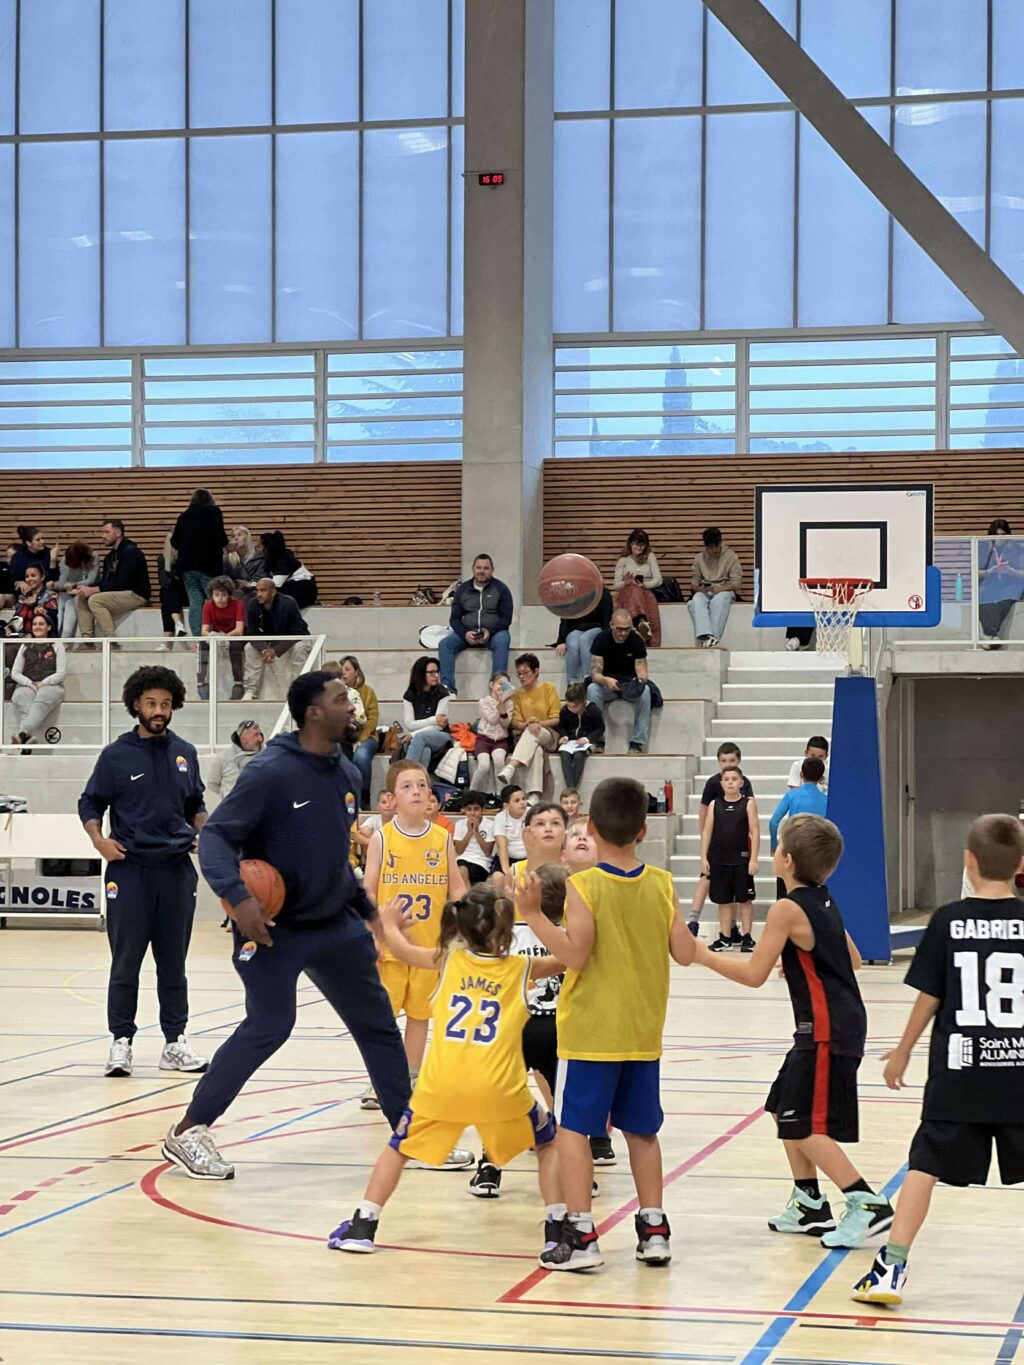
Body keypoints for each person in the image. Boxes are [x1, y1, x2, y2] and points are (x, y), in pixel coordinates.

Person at [161, 672, 410, 1180]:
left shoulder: (347, 773)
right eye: (341, 699)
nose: (352, 707)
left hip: (333, 923)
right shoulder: (269, 772)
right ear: (313, 712)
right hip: (272, 927)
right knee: (270, 1025)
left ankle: (411, 1135)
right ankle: (187, 1131)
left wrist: (368, 911)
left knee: (379, 1026)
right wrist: (238, 900)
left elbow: (335, 860)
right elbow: (216, 838)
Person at [518, 776, 696, 1270]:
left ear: (591, 828)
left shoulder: (583, 885)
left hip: (591, 1033)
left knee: (574, 1131)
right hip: (643, 1031)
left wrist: (533, 916)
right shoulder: (661, 883)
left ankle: (581, 1235)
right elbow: (684, 953)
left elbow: (576, 955)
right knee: (642, 1132)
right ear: (644, 830)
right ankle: (654, 1229)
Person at [328, 884, 563, 1257]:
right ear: (507, 932)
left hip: (440, 1086)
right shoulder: (522, 968)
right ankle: (557, 1228)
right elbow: (570, 956)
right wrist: (538, 915)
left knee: (398, 1148)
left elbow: (401, 950)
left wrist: (388, 925)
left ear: (461, 929)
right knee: (548, 1144)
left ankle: (363, 1225)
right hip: (498, 1088)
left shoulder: (447, 960)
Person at [695, 814, 895, 1251]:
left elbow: (753, 975)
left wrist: (702, 956)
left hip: (825, 1029)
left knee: (803, 1124)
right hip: (833, 1023)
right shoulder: (823, 898)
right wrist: (806, 963)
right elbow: (852, 960)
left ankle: (867, 1203)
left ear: (785, 860)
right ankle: (809, 1203)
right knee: (781, 1107)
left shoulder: (787, 908)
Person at [850, 813, 1024, 1306]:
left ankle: (890, 1268)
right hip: (1019, 1077)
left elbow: (929, 995)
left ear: (968, 861)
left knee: (923, 1167)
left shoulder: (947, 920)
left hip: (958, 1077)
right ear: (1020, 865)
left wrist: (903, 1052)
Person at [78, 666, 209, 1080]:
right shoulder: (116, 755)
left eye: (165, 704)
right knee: (126, 962)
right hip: (129, 871)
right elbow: (90, 802)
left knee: (173, 964)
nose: (159, 711)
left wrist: (203, 832)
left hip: (176, 871)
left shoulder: (185, 752)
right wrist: (99, 840)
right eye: (151, 703)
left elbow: (195, 804)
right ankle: (121, 1042)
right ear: (136, 704)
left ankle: (175, 1042)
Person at [361, 760, 471, 1170]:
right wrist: (374, 932)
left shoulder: (441, 839)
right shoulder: (382, 838)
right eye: (408, 786)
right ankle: (379, 1079)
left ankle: (408, 1077)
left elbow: (457, 887)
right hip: (391, 946)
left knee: (421, 1018)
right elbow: (369, 888)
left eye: (423, 785)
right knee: (383, 1019)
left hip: (429, 949)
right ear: (391, 798)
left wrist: (467, 924)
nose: (417, 791)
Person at [690, 742, 754, 939]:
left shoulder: (744, 783)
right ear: (718, 762)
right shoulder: (712, 783)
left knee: (733, 887)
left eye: (731, 760)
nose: (727, 764)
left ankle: (732, 928)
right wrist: (705, 839)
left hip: (736, 845)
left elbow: (750, 812)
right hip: (717, 843)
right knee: (706, 877)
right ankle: (693, 920)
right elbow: (703, 810)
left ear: (739, 760)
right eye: (724, 761)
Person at [701, 765, 760, 953]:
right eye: (726, 779)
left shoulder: (748, 804)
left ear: (741, 782)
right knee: (723, 901)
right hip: (719, 860)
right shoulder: (714, 804)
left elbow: (755, 832)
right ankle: (725, 938)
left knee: (745, 900)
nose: (730, 783)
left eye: (734, 779)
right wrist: (703, 858)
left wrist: (753, 859)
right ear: (721, 783)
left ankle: (747, 937)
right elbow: (707, 832)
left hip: (742, 860)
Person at [438, 553, 513, 696]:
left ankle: (499, 688)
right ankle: (448, 689)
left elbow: (506, 618)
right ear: (473, 569)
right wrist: (464, 633)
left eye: (486, 568)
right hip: (466, 633)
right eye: (478, 567)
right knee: (445, 644)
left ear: (492, 570)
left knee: (503, 638)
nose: (482, 571)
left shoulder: (502, 589)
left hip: (493, 634)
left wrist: (489, 631)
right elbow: (454, 619)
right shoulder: (462, 590)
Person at [497, 654, 561, 801]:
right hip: (525, 734)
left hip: (547, 733)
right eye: (519, 673)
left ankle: (512, 766)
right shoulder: (516, 694)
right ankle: (534, 794)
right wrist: (527, 724)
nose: (521, 677)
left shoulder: (548, 688)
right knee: (537, 751)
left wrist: (537, 723)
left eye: (525, 673)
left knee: (534, 731)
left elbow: (556, 718)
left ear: (536, 671)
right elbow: (515, 722)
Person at [586, 609, 651, 755]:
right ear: (611, 625)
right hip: (607, 683)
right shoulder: (601, 639)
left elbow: (642, 670)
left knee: (646, 691)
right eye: (619, 629)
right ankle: (597, 740)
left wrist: (639, 681)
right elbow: (595, 673)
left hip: (629, 684)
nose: (623, 633)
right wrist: (606, 680)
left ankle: (637, 742)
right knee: (592, 689)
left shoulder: (636, 641)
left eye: (627, 629)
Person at [76, 519, 152, 641]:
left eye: (107, 532)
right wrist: (86, 589)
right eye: (102, 533)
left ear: (118, 533)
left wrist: (94, 590)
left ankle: (111, 641)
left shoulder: (131, 552)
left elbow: (123, 583)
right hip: (119, 593)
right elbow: (106, 582)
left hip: (136, 594)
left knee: (95, 600)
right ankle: (87, 640)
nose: (103, 536)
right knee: (81, 598)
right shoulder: (110, 557)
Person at [241, 578, 313, 702]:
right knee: (249, 648)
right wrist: (264, 650)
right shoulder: (252, 604)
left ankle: (301, 690)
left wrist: (276, 651)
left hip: (296, 638)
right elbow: (252, 633)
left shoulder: (289, 603)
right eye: (257, 590)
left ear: (273, 592)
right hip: (270, 641)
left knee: (299, 648)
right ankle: (250, 691)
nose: (259, 594)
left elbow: (297, 632)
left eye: (263, 590)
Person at [171, 489, 227, 640]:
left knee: (195, 602)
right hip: (209, 565)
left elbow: (174, 542)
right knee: (214, 599)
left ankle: (198, 637)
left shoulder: (184, 516)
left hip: (188, 566)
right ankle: (214, 635)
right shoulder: (213, 511)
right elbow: (219, 535)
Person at [770, 759, 828, 898]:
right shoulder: (826, 800)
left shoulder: (791, 796)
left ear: (801, 775)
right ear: (821, 778)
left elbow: (773, 822)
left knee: (784, 893)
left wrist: (774, 844)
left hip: (791, 845)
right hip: (814, 851)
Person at [9, 613, 66, 751]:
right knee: (23, 701)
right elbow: (15, 672)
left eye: (41, 624)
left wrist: (43, 683)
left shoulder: (57, 645)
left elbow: (61, 673)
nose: (37, 627)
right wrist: (29, 683)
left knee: (41, 700)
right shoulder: (25, 646)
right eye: (35, 624)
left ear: (49, 627)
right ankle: (26, 741)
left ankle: (22, 734)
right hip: (26, 685)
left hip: (52, 685)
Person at [688, 527, 742, 648]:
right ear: (706, 546)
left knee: (719, 600)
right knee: (696, 599)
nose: (713, 550)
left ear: (720, 542)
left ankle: (712, 637)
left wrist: (722, 588)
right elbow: (694, 584)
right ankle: (706, 635)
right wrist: (700, 589)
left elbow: (737, 583)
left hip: (724, 590)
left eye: (716, 546)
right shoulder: (699, 558)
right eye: (710, 547)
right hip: (706, 590)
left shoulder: (731, 556)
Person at [339, 655, 379, 807]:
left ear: (356, 672)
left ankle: (364, 797)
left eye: (347, 669)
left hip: (367, 736)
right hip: (345, 737)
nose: (343, 673)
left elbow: (373, 720)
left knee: (361, 755)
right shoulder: (338, 692)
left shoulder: (368, 692)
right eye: (341, 669)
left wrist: (360, 739)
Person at [978, 518, 1024, 649]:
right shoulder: (983, 548)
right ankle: (992, 635)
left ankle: (989, 634)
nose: (999, 538)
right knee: (983, 595)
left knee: (1006, 596)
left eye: (1003, 534)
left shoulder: (1017, 549)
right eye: (996, 534)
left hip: (1011, 585)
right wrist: (989, 572)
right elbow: (974, 573)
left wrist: (1011, 571)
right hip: (989, 584)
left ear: (1008, 535)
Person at [399, 656, 452, 769]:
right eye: (431, 672)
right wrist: (434, 719)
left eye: (437, 672)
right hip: (416, 738)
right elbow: (409, 724)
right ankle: (421, 778)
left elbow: (439, 726)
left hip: (440, 735)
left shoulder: (443, 693)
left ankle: (405, 774)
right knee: (425, 752)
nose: (436, 676)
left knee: (420, 737)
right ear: (421, 674)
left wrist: (413, 734)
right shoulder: (409, 695)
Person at [199, 575, 245, 702]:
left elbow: (239, 630)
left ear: (229, 595)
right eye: (216, 595)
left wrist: (224, 637)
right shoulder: (208, 605)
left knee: (236, 646)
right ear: (212, 595)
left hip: (232, 636)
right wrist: (213, 636)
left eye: (223, 595)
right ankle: (201, 682)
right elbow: (204, 631)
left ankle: (238, 682)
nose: (220, 598)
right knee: (202, 644)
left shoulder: (238, 604)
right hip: (216, 636)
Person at [613, 530, 662, 646]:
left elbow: (658, 579)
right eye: (636, 544)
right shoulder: (623, 561)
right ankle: (640, 621)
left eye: (642, 545)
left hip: (645, 592)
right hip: (627, 593)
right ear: (630, 544)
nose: (639, 548)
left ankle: (639, 624)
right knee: (633, 590)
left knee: (640, 592)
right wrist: (625, 583)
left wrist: (645, 585)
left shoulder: (650, 557)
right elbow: (616, 585)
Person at [555, 587, 614, 684]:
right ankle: (572, 682)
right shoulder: (572, 591)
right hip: (576, 628)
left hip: (596, 626)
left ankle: (588, 678)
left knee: (584, 639)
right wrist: (561, 640)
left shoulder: (603, 592)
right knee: (572, 644)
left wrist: (606, 636)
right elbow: (565, 617)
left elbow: (607, 615)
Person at [554, 682, 605, 789]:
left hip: (590, 741)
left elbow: (600, 728)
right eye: (569, 706)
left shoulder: (593, 710)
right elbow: (562, 727)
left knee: (579, 755)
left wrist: (588, 738)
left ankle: (571, 790)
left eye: (574, 707)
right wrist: (564, 736)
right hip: (571, 741)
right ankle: (572, 790)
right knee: (564, 755)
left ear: (582, 702)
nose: (571, 709)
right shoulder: (565, 711)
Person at [206, 719, 265, 800]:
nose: (260, 739)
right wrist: (228, 795)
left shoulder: (268, 756)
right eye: (256, 735)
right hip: (231, 806)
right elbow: (212, 783)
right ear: (243, 738)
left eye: (260, 734)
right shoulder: (223, 757)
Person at [473, 671, 512, 794]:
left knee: (499, 761)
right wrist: (499, 705)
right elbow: (493, 720)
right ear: (491, 684)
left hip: (500, 740)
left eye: (505, 685)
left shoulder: (509, 703)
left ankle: (500, 794)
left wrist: (503, 709)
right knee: (484, 765)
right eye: (500, 683)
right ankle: (472, 792)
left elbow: (506, 724)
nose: (502, 687)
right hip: (483, 739)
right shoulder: (483, 702)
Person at [260, 530, 317, 610]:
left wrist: (252, 584)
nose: (257, 549)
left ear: (267, 549)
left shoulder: (284, 559)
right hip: (292, 586)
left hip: (303, 589)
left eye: (259, 547)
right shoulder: (271, 560)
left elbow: (276, 584)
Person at [55, 541, 98, 639]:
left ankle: (65, 638)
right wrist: (56, 585)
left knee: (71, 604)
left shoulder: (94, 557)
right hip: (69, 593)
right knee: (59, 602)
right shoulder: (65, 560)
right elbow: (62, 583)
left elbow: (91, 580)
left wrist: (74, 585)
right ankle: (55, 634)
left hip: (89, 591)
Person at [453, 790, 495, 886]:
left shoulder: (490, 825)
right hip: (462, 859)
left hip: (481, 862)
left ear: (482, 809)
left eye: (476, 809)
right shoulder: (459, 824)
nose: (472, 813)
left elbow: (487, 852)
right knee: (462, 869)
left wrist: (476, 832)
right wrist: (469, 832)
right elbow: (459, 851)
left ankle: (465, 895)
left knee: (462, 871)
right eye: (469, 809)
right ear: (464, 810)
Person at [4, 565, 58, 637]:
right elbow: (17, 618)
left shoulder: (51, 595)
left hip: (43, 637)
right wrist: (9, 629)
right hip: (23, 637)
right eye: (27, 576)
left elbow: (51, 618)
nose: (29, 579)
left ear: (42, 577)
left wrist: (34, 606)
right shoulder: (23, 597)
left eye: (33, 575)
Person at [493, 784, 528, 875]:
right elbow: (502, 847)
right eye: (517, 800)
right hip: (508, 859)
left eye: (523, 799)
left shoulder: (532, 813)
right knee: (497, 878)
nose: (522, 802)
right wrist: (507, 871)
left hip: (529, 859)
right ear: (506, 805)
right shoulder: (500, 817)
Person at [11, 525, 58, 589]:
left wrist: (53, 561)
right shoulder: (18, 557)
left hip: (46, 591)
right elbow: (14, 579)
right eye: (38, 540)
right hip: (26, 591)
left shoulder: (49, 553)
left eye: (42, 538)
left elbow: (55, 579)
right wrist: (19, 582)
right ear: (28, 543)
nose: (42, 541)